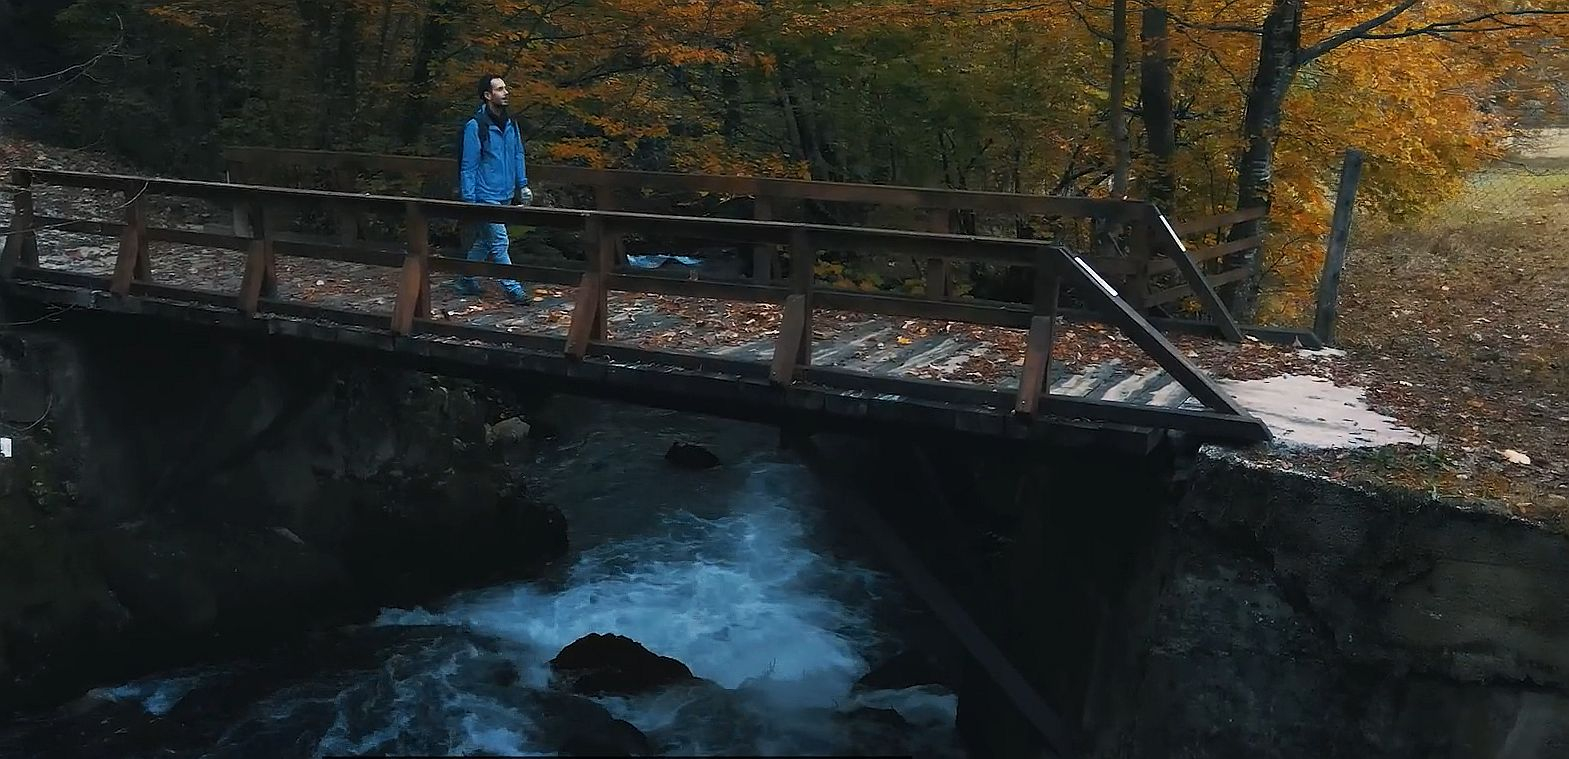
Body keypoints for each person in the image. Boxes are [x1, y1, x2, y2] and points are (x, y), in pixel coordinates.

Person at [455, 74, 533, 302]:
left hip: (505, 193)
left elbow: (518, 154)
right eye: (500, 89)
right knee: (500, 241)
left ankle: (466, 280)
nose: (505, 92)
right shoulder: (475, 126)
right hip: (484, 194)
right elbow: (469, 165)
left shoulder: (511, 124)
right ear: (488, 96)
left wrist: (523, 185)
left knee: (485, 240)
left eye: (505, 88)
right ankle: (513, 288)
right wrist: (469, 201)